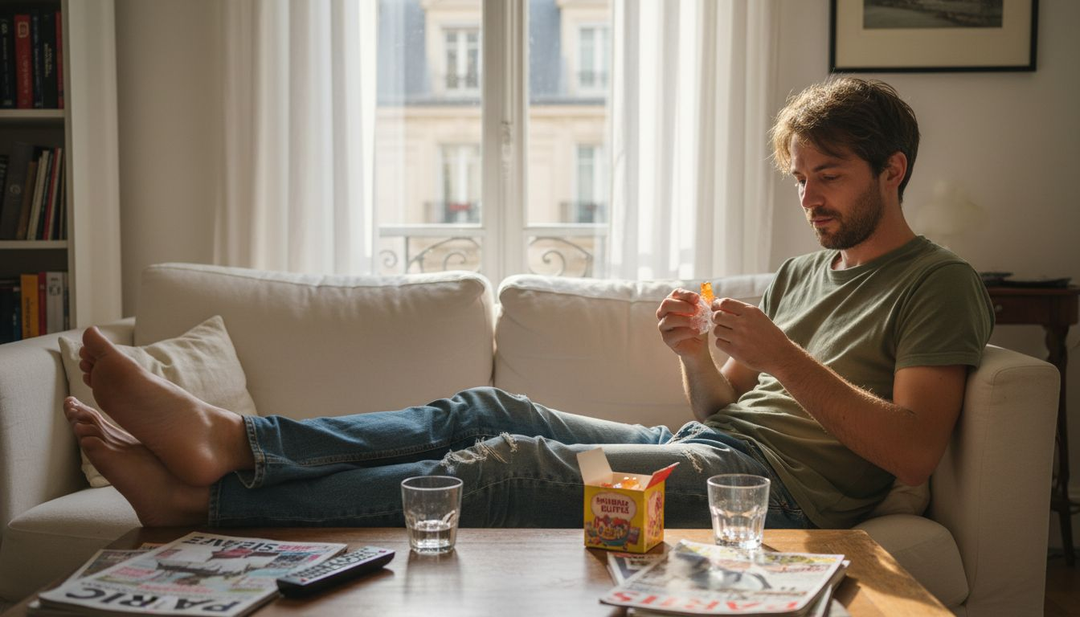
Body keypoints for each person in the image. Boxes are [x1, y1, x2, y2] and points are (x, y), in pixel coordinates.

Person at [64, 76, 992, 531]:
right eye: (800, 181)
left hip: (777, 497)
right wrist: (692, 354)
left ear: (893, 170)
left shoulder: (936, 283)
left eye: (827, 178)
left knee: (511, 464)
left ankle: (208, 504)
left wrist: (785, 357)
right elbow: (720, 408)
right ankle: (237, 445)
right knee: (484, 408)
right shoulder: (801, 273)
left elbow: (910, 447)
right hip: (709, 447)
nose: (810, 199)